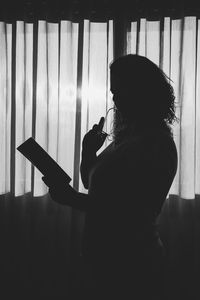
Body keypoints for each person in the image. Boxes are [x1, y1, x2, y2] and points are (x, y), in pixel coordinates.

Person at [42, 54, 178, 299]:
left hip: (133, 263)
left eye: (121, 89)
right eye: (113, 91)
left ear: (141, 91)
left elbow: (131, 212)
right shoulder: (126, 139)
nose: (114, 98)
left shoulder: (156, 143)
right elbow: (90, 182)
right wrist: (88, 151)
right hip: (104, 259)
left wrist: (71, 199)